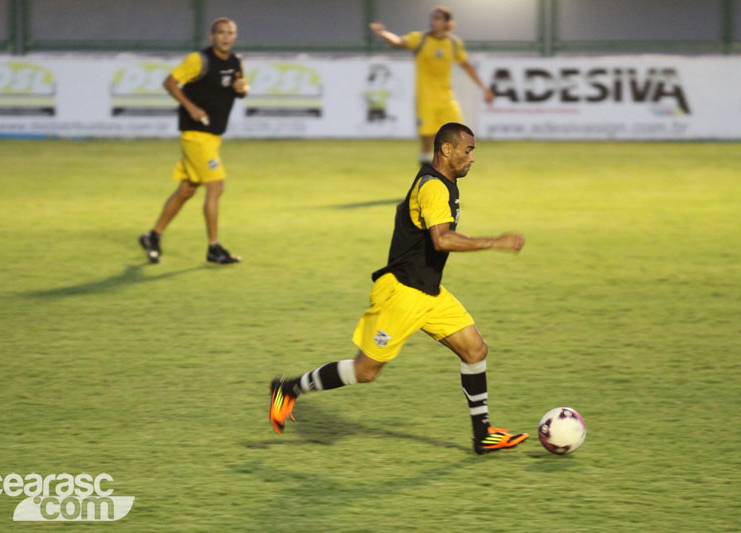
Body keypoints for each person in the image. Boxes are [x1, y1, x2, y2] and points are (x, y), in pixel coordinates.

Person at [269, 123, 528, 455]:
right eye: (468, 150)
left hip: (429, 292)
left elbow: (405, 212)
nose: (472, 158)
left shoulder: (439, 182)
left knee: (475, 350)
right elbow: (442, 240)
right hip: (402, 293)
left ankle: (483, 434)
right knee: (364, 371)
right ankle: (287, 389)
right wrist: (496, 242)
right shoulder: (434, 187)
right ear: (446, 149)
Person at [139, 17, 248, 265]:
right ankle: (214, 248)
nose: (226, 37)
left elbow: (240, 90)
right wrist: (191, 108)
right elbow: (169, 83)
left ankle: (153, 236)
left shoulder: (236, 62)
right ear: (212, 36)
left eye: (231, 33)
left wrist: (242, 89)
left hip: (212, 136)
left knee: (187, 189)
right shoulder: (199, 60)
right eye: (221, 32)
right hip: (195, 135)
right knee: (216, 187)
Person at [370, 6, 494, 166]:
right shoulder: (420, 39)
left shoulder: (454, 44)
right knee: (427, 139)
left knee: (459, 133)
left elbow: (467, 66)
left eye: (438, 18)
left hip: (447, 98)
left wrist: (484, 88)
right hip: (426, 98)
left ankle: (449, 169)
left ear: (447, 23)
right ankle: (425, 168)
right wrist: (383, 33)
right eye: (432, 18)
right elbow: (398, 42)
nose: (433, 21)